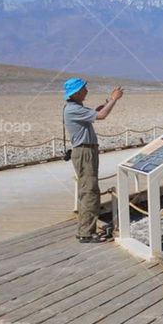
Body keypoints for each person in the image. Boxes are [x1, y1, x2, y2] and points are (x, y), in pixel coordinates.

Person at [63, 78, 124, 243]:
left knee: (89, 190)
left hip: (86, 151)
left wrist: (107, 102)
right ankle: (86, 233)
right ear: (76, 92)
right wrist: (113, 100)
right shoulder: (73, 109)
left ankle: (86, 229)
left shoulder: (76, 108)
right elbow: (102, 115)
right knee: (89, 191)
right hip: (84, 152)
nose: (86, 91)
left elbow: (96, 113)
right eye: (84, 89)